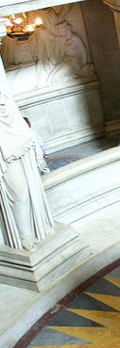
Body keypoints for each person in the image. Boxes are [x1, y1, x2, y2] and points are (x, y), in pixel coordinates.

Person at [0, 81, 55, 250]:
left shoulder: (7, 100)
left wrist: (35, 147)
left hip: (20, 143)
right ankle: (24, 236)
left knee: (30, 189)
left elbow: (21, 125)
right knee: (20, 194)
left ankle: (33, 230)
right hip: (6, 150)